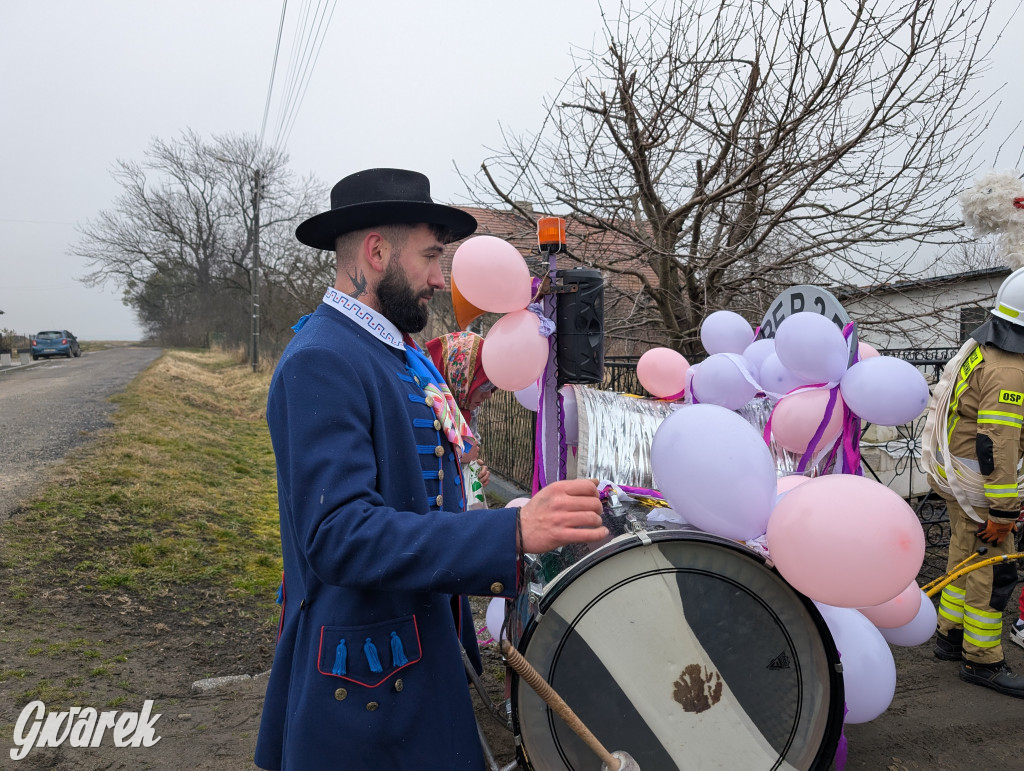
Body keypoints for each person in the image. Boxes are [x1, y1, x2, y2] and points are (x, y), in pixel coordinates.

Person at [254, 168, 608, 771]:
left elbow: (423, 497)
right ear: (375, 251)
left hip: (419, 654)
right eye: (430, 258)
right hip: (366, 682)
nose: (440, 280)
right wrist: (510, 534)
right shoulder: (322, 360)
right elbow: (339, 536)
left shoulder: (392, 352)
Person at [925, 267, 1024, 698]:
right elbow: (997, 443)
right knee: (993, 566)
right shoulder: (1011, 371)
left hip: (958, 477)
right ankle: (982, 659)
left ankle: (951, 634)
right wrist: (1004, 512)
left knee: (964, 553)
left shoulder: (982, 347)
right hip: (982, 485)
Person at [426, 331, 494, 509]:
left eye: (492, 388)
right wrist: (459, 458)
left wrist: (476, 471)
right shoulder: (428, 406)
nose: (488, 396)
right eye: (482, 386)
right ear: (460, 379)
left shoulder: (465, 411)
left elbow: (468, 458)